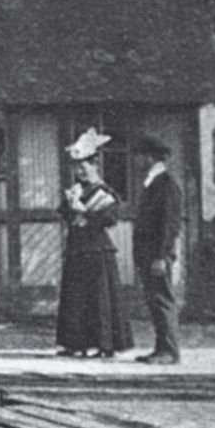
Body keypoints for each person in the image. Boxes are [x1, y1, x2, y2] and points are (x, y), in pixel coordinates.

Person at [55, 128, 133, 358]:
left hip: (97, 248)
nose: (80, 171)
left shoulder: (104, 191)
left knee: (99, 298)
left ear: (94, 165)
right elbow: (63, 213)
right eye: (76, 167)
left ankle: (104, 345)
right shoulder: (78, 190)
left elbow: (110, 218)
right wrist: (72, 206)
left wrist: (85, 214)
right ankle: (76, 344)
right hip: (78, 248)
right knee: (76, 296)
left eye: (84, 166)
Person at [131, 136, 184, 364]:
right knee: (155, 300)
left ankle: (170, 351)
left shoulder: (166, 184)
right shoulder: (153, 182)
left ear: (149, 157)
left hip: (157, 255)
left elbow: (169, 225)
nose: (135, 161)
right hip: (148, 254)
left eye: (138, 156)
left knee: (162, 300)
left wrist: (161, 256)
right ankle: (161, 348)